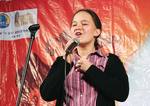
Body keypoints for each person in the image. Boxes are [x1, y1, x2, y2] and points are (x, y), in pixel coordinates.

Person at [40, 9, 129, 106]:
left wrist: (90, 69)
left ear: (96, 32)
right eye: (74, 25)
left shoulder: (110, 60)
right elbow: (47, 95)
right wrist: (66, 61)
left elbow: (121, 93)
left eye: (84, 24)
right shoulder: (62, 61)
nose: (78, 27)